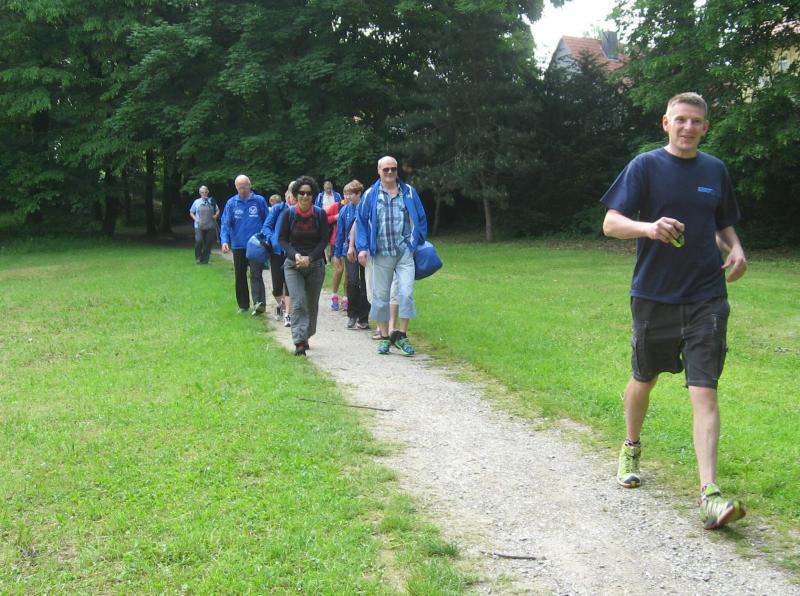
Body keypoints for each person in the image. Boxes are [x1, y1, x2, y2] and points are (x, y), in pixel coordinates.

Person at [600, 92, 748, 530]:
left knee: (704, 390)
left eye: (696, 121)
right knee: (644, 378)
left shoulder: (715, 170)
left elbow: (721, 223)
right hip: (654, 295)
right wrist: (649, 227)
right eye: (680, 119)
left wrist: (736, 248)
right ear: (666, 123)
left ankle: (709, 494)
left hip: (707, 296)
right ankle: (631, 446)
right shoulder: (645, 166)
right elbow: (610, 223)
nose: (687, 127)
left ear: (705, 127)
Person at [356, 156, 428, 356]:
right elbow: (361, 221)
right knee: (381, 296)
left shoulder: (409, 192)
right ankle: (385, 337)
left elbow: (421, 217)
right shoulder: (370, 194)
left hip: (405, 252)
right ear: (378, 171)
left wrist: (416, 241)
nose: (390, 172)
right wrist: (362, 247)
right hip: (381, 253)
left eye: (393, 169)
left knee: (406, 293)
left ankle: (402, 335)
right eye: (386, 169)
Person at [279, 176, 330, 356]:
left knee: (311, 304)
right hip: (293, 265)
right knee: (298, 301)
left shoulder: (320, 214)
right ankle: (299, 342)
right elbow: (282, 240)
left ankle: (306, 334)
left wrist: (311, 257)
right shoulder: (289, 214)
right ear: (296, 194)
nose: (305, 196)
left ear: (313, 195)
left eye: (308, 193)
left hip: (315, 265)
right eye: (301, 193)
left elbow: (324, 240)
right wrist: (296, 255)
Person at [220, 175, 269, 314]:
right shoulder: (232, 203)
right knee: (240, 275)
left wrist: (266, 238)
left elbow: (267, 221)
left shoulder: (259, 201)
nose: (242, 190)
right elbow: (225, 224)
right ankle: (243, 305)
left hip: (256, 245)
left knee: (256, 274)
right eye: (239, 187)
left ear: (249, 185)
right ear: (236, 187)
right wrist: (224, 241)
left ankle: (259, 304)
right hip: (238, 245)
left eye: (244, 186)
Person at [337, 180, 370, 329]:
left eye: (350, 194)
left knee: (366, 282)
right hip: (349, 251)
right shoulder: (344, 211)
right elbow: (340, 233)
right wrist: (338, 253)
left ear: (359, 193)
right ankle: (352, 315)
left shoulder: (366, 207)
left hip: (365, 250)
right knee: (352, 281)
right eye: (346, 194)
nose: (347, 197)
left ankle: (364, 318)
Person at [262, 186, 296, 327]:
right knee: (277, 286)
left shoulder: (301, 210)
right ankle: (281, 305)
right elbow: (266, 227)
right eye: (292, 193)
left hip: (292, 252)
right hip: (277, 252)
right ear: (287, 194)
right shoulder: (278, 209)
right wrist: (273, 239)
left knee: (289, 284)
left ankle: (288, 313)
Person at [189, 186, 219, 264]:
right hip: (199, 225)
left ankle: (205, 259)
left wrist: (216, 215)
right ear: (200, 193)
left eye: (205, 192)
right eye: (202, 192)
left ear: (208, 192)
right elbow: (191, 212)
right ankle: (198, 258)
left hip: (210, 225)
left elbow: (217, 210)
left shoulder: (211, 201)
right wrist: (196, 219)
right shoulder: (196, 202)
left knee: (208, 243)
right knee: (199, 241)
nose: (204, 194)